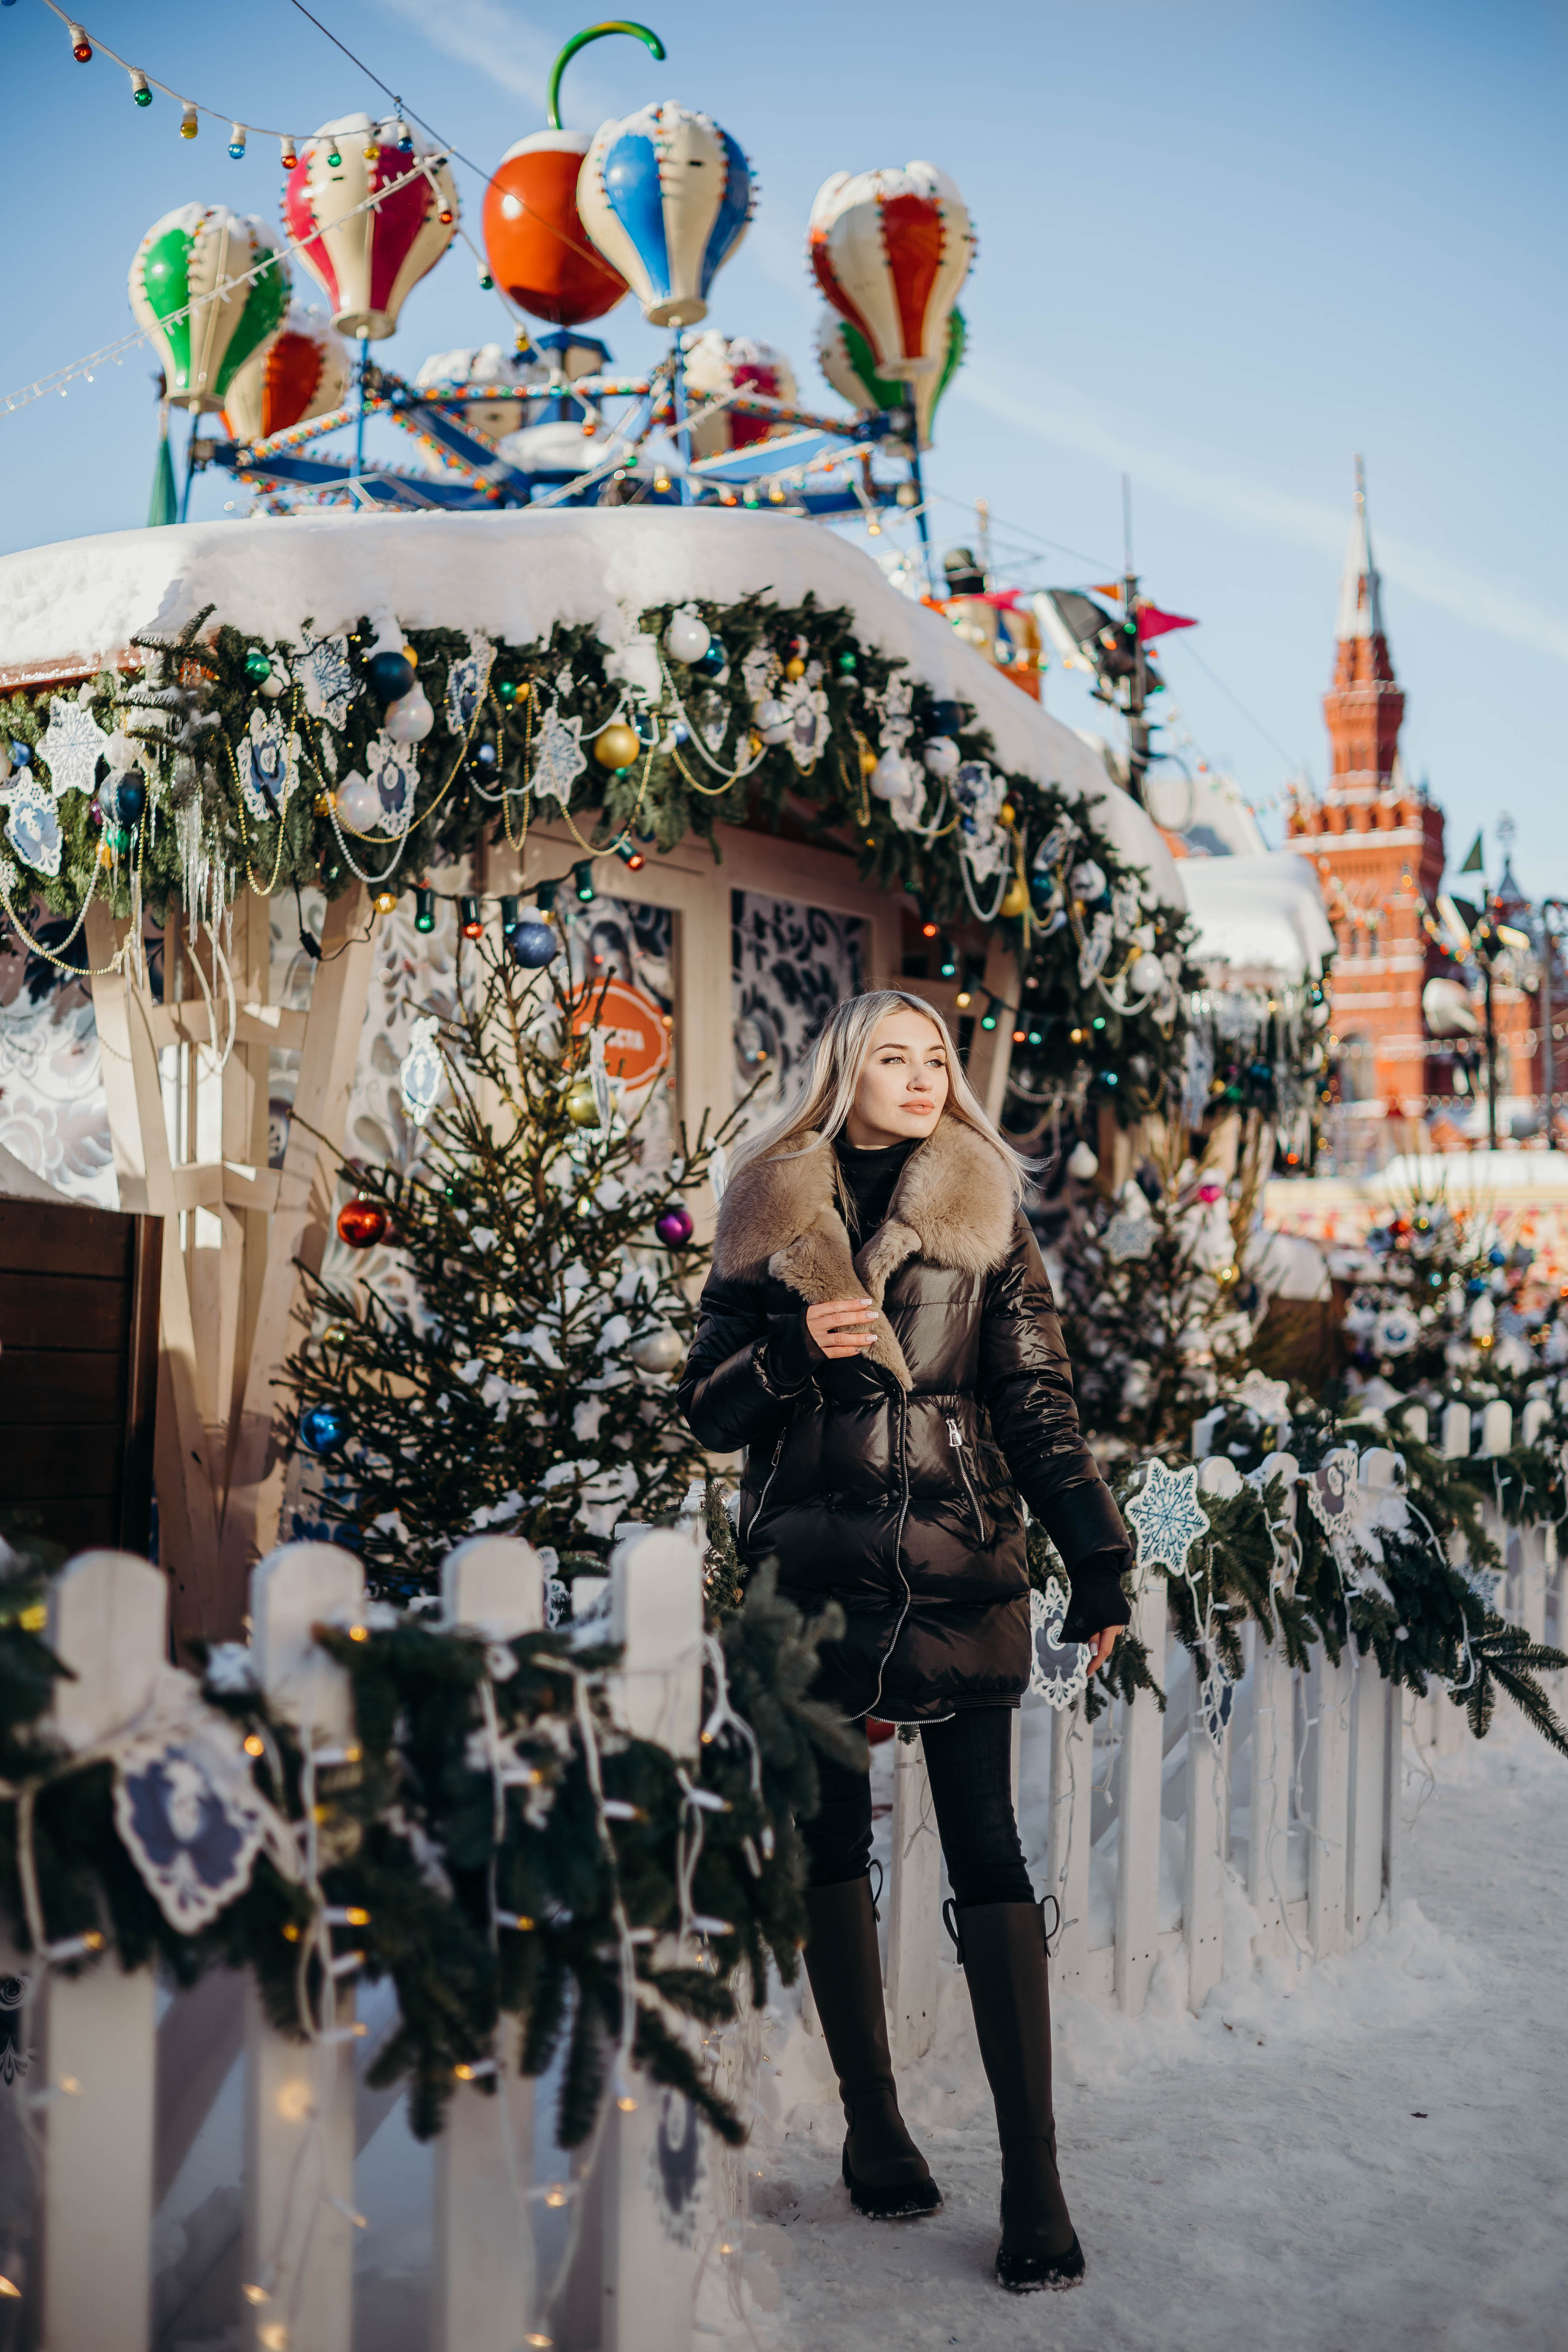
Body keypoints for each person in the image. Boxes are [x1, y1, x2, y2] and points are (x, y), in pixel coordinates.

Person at [677, 991, 1131, 2294]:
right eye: (896, 1054)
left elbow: (1036, 1402)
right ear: (843, 1069)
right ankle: (873, 2127)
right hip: (809, 1575)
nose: (924, 1074)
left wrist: (1096, 1554)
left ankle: (1034, 2182)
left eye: (937, 1057)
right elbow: (704, 1410)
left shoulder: (986, 1211)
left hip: (958, 1560)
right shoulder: (766, 1207)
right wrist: (782, 1356)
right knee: (828, 1837)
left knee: (987, 1844)